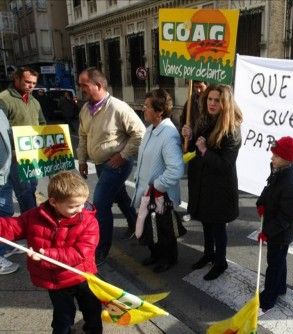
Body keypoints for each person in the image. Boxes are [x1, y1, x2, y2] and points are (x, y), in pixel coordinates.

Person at [0, 171, 102, 333]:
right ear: (53, 202)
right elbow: (13, 226)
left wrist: (46, 255)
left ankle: (93, 330)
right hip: (56, 282)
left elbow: (80, 252)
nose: (80, 209)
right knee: (63, 317)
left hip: (82, 276)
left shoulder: (89, 221)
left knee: (92, 311)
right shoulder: (35, 216)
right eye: (73, 206)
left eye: (82, 203)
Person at [76, 67, 145, 264]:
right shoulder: (85, 109)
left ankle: (101, 248)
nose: (81, 89)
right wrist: (82, 159)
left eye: (84, 85)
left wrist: (123, 155)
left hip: (117, 164)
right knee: (120, 196)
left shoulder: (118, 107)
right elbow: (82, 135)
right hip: (99, 163)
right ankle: (136, 226)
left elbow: (139, 133)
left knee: (100, 203)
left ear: (98, 85)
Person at [181, 84, 242, 281]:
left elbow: (225, 164)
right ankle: (208, 254)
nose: (212, 103)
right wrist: (188, 138)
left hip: (219, 187)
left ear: (225, 104)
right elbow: (192, 151)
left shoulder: (231, 129)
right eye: (210, 99)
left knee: (217, 226)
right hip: (202, 183)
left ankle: (220, 262)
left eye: (217, 100)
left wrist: (205, 150)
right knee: (206, 222)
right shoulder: (203, 120)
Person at [132, 88, 184, 273]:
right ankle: (155, 255)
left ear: (159, 111)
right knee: (149, 224)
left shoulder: (168, 134)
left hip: (160, 194)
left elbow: (176, 169)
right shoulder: (150, 129)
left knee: (163, 228)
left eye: (147, 106)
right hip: (147, 191)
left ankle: (168, 259)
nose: (143, 109)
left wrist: (158, 185)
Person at [256, 136, 293, 312]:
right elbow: (269, 188)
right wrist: (261, 202)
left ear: (287, 159)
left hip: (282, 231)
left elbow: (287, 217)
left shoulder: (292, 185)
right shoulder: (279, 170)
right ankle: (280, 287)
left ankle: (268, 297)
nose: (272, 158)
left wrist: (267, 232)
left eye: (276, 156)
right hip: (276, 224)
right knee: (279, 259)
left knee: (274, 262)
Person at [0, 67, 46, 214]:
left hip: (32, 154)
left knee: (32, 187)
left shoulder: (34, 101)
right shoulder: (4, 99)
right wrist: (11, 151)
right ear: (17, 79)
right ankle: (31, 224)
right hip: (14, 156)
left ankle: (28, 220)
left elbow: (42, 124)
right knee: (24, 191)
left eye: (34, 83)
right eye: (27, 82)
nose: (31, 86)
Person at [0, 108, 19, 275]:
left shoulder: (1, 111)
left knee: (6, 211)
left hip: (4, 172)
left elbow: (6, 135)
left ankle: (4, 246)